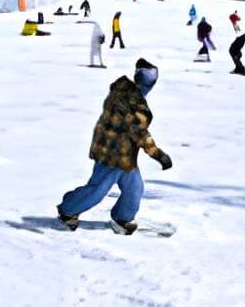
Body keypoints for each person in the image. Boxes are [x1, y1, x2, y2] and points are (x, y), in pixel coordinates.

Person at [56, 59, 173, 234]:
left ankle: (122, 218)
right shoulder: (128, 100)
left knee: (134, 188)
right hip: (111, 154)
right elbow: (139, 133)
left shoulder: (129, 95)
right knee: (98, 190)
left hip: (125, 155)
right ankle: (68, 210)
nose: (151, 84)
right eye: (150, 80)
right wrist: (158, 155)